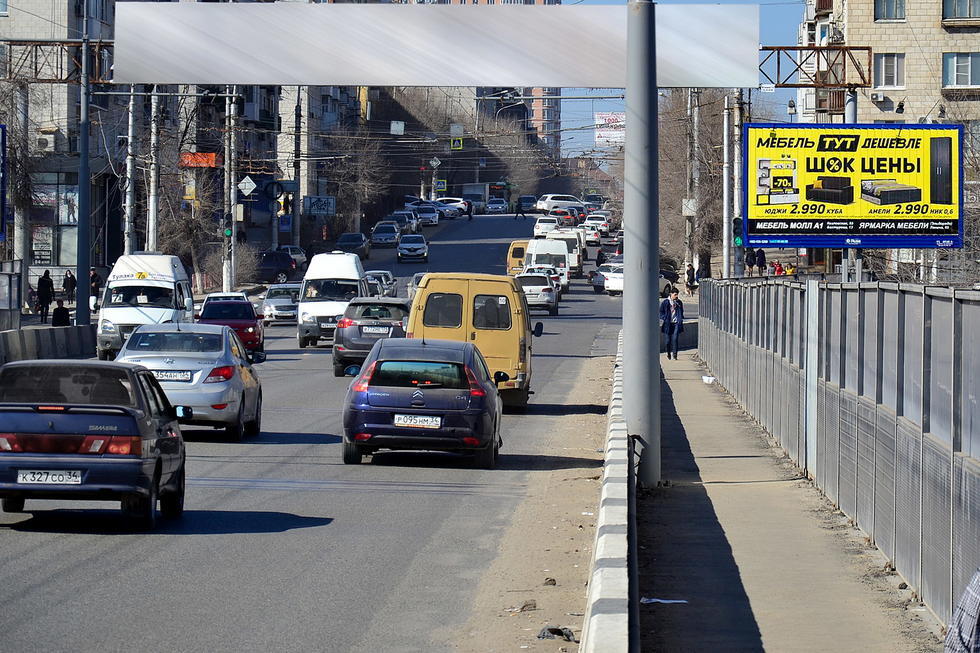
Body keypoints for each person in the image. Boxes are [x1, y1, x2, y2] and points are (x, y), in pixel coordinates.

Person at [659, 288, 684, 360]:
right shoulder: (665, 302)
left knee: (675, 339)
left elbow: (681, 311)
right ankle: (668, 353)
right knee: (667, 341)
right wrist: (664, 318)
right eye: (675, 295)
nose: (676, 296)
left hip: (676, 323)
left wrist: (680, 318)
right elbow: (661, 312)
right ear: (671, 294)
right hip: (668, 324)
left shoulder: (679, 302)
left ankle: (675, 355)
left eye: (677, 295)